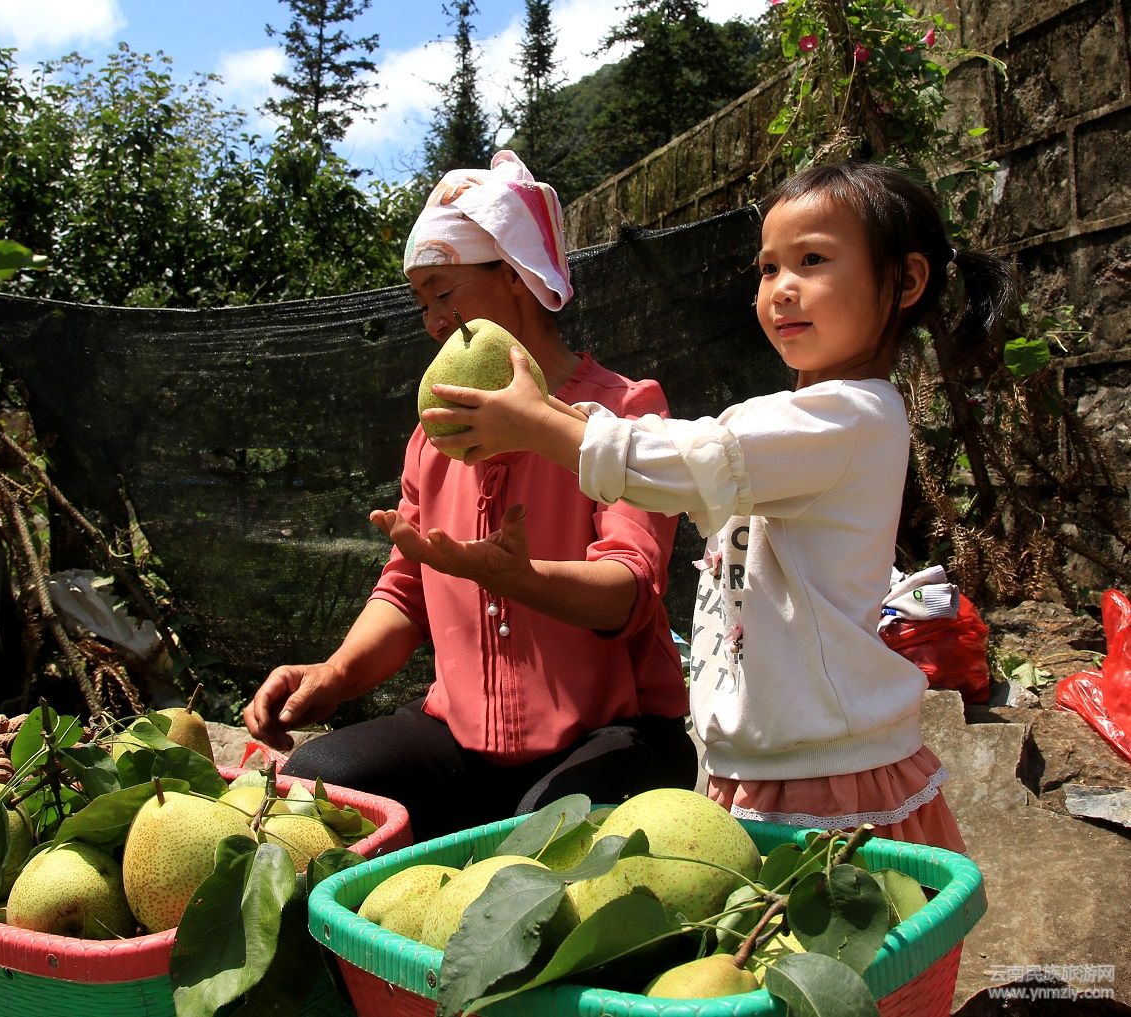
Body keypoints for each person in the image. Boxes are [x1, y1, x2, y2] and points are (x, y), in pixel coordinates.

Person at [419, 161, 1019, 852]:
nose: (781, 288)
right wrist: (559, 418)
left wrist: (541, 425)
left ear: (905, 281)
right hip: (759, 757)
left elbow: (685, 463)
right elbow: (693, 455)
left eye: (812, 261)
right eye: (768, 268)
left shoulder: (855, 416)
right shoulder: (788, 416)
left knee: (848, 920)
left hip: (831, 771)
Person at [242, 150, 698, 842]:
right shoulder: (432, 440)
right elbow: (404, 594)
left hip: (617, 735)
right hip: (462, 741)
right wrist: (331, 677)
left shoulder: (622, 416)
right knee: (319, 780)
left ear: (515, 275)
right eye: (422, 303)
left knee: (537, 838)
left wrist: (520, 578)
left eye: (443, 292)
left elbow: (627, 592)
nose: (432, 322)